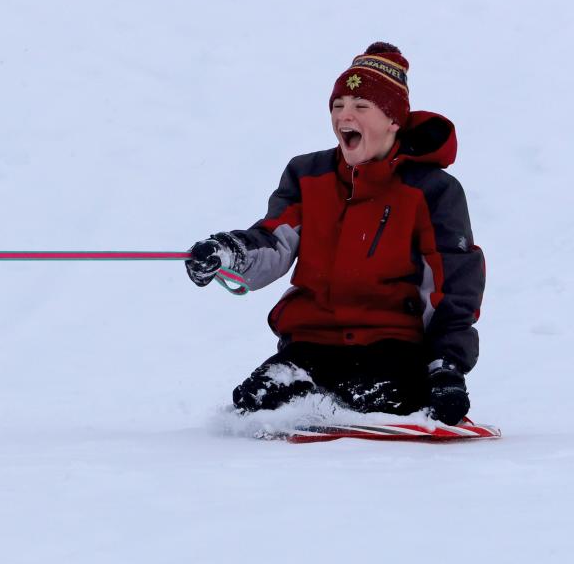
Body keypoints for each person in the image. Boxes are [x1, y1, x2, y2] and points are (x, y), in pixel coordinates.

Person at [186, 42, 484, 425]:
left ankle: (350, 404)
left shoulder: (431, 191)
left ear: (393, 121)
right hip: (313, 342)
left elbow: (453, 285)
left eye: (361, 107)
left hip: (391, 346)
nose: (345, 115)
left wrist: (447, 366)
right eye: (338, 105)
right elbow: (273, 240)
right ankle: (306, 394)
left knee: (370, 394)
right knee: (255, 399)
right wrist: (228, 254)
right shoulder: (308, 176)